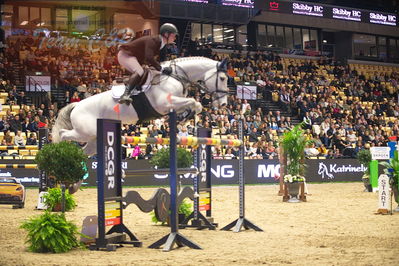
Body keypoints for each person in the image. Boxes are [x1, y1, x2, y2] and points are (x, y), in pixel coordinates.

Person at [118, 23, 178, 105]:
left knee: (148, 72)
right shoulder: (153, 40)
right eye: (173, 35)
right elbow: (149, 57)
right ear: (166, 34)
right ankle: (125, 94)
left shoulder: (163, 45)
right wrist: (161, 68)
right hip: (126, 55)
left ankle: (136, 91)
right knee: (140, 71)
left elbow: (162, 61)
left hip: (135, 58)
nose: (175, 38)